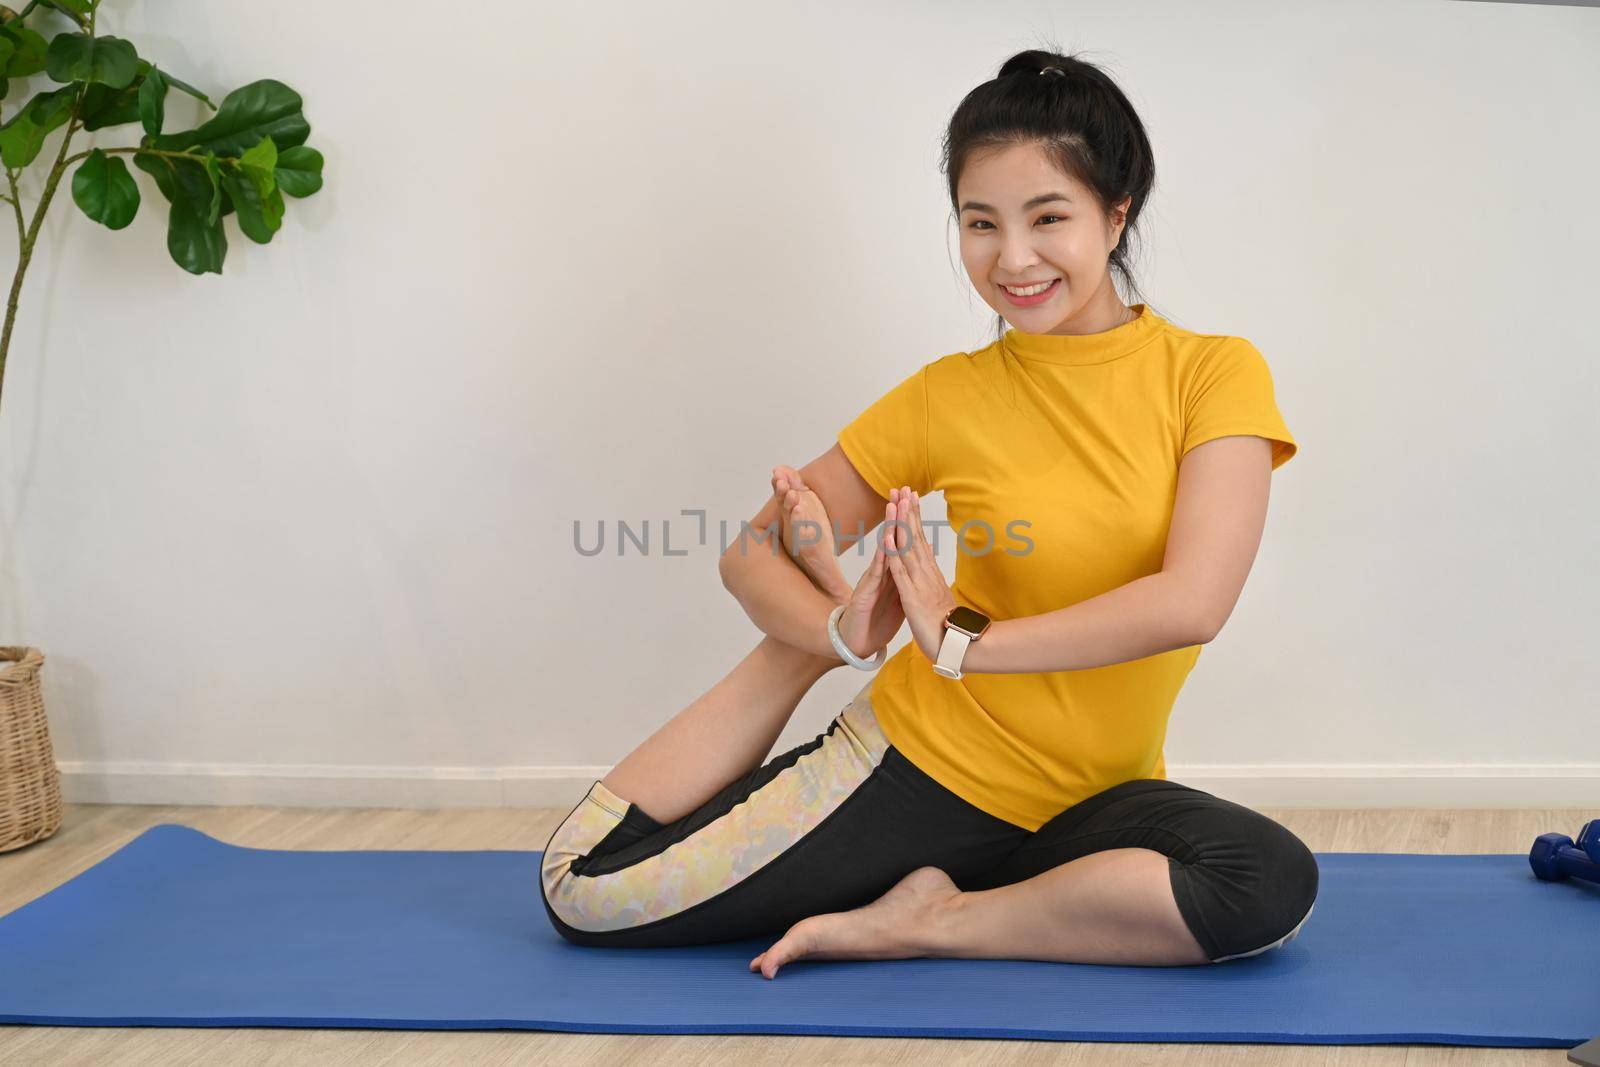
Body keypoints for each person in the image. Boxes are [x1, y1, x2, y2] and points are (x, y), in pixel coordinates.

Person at [539, 47, 1319, 977]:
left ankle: (934, 919)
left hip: (1086, 801)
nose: (1012, 257)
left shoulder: (1214, 373)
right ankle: (809, 674)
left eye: (1048, 217)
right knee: (583, 889)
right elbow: (755, 549)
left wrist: (964, 638)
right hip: (922, 771)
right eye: (979, 222)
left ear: (1118, 215)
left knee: (1265, 879)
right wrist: (834, 631)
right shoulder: (946, 397)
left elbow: (1192, 601)